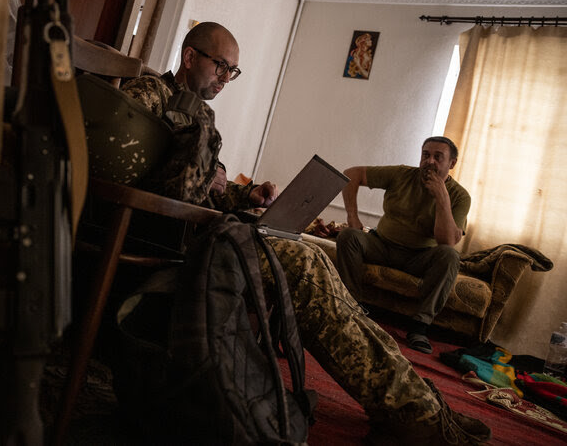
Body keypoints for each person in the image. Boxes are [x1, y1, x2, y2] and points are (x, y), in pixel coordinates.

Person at [121, 22, 489, 444]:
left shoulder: (196, 110)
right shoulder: (147, 95)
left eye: (232, 71)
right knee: (303, 264)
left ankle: (419, 401)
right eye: (221, 66)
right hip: (181, 238)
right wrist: (209, 176)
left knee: (314, 261)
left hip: (209, 233)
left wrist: (249, 194)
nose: (226, 78)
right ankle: (409, 411)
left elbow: (206, 188)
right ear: (189, 58)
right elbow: (140, 178)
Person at [337, 137, 470, 355]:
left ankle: (419, 327)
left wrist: (442, 197)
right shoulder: (402, 174)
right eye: (426, 155)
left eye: (438, 157)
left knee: (449, 256)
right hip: (382, 245)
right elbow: (351, 174)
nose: (430, 162)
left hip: (419, 258)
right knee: (348, 236)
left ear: (452, 163)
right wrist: (353, 217)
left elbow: (447, 241)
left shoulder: (460, 196)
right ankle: (352, 305)